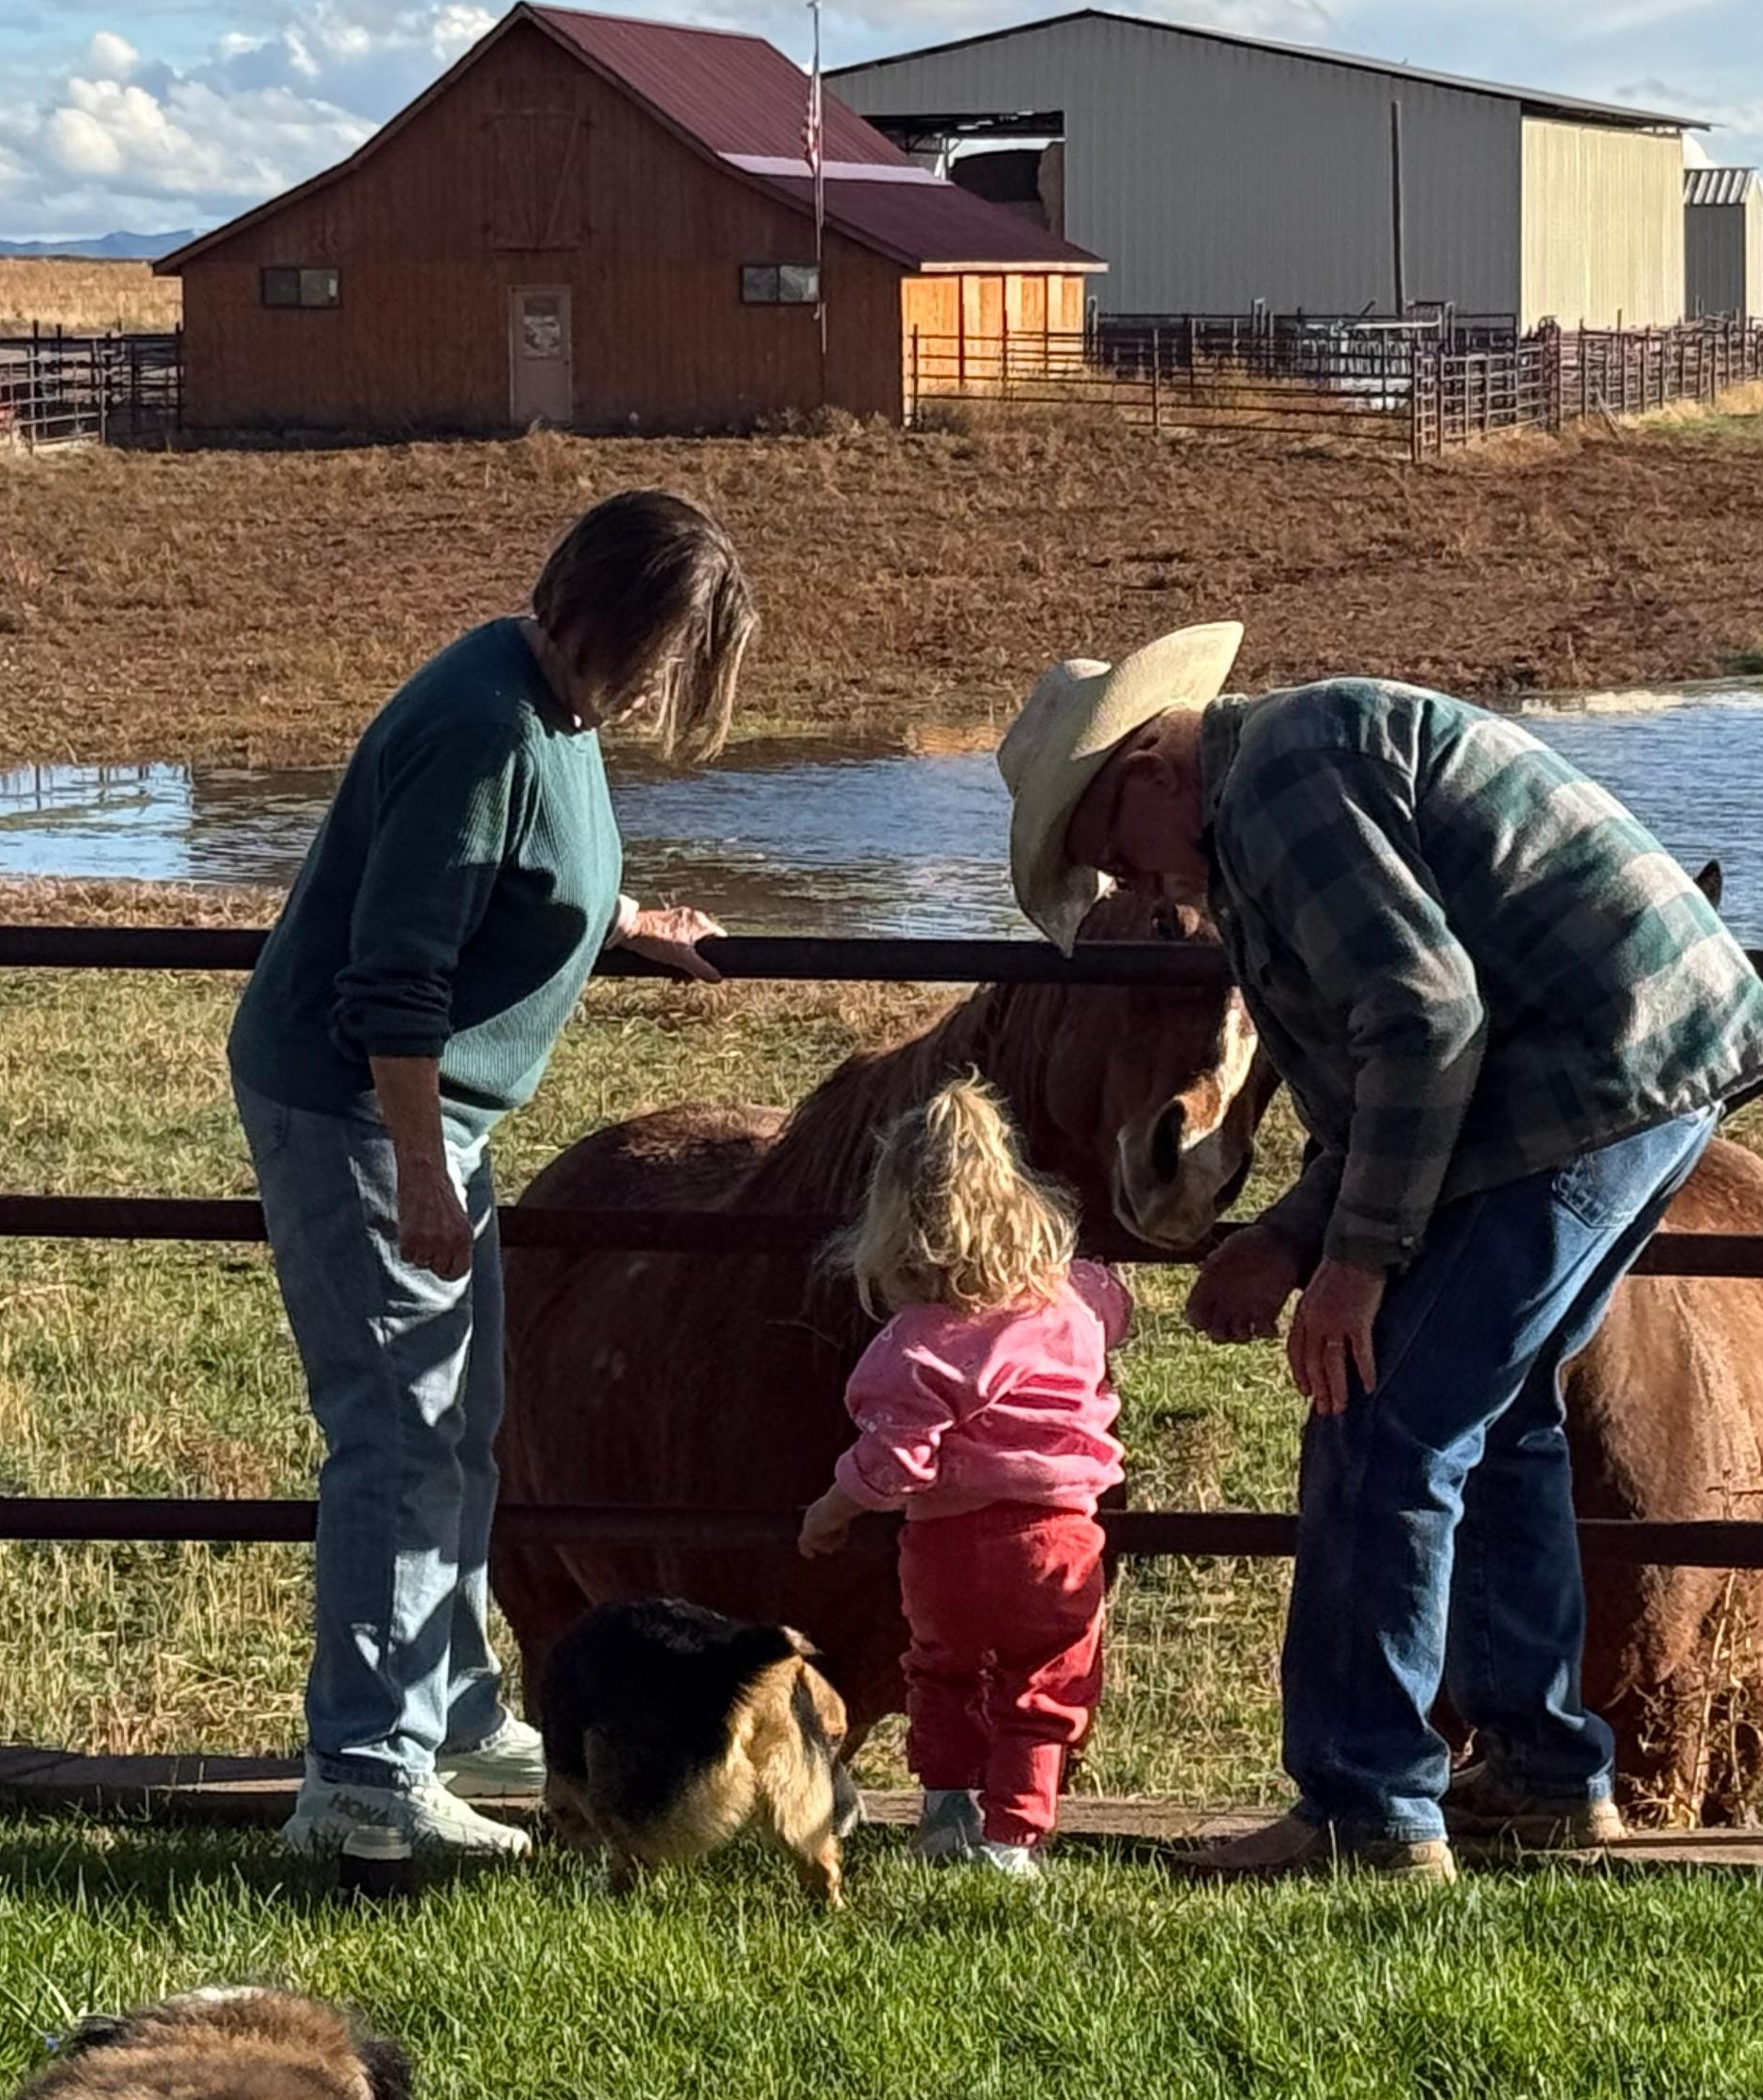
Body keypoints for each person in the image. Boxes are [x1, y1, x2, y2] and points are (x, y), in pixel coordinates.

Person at [993, 623, 1763, 1881]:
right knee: (1503, 1412)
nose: (1139, 890)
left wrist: (1351, 1267)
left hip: (1587, 1082)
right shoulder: (1275, 797)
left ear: (1152, 769)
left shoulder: (1277, 792)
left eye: (1112, 849)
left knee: (1382, 1421)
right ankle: (1538, 1771)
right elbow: (1388, 1065)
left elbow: (1425, 1025)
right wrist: (1288, 1233)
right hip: (1638, 1061)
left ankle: (1366, 1804)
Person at [231, 490, 753, 1865]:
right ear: (601, 621)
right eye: (657, 663)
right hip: (365, 1106)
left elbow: (509, 873)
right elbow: (392, 979)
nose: (654, 698)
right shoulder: (484, 725)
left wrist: (621, 923)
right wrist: (417, 1172)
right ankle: (360, 1774)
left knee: (461, 1419)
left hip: (418, 1113)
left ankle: (446, 1703)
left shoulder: (543, 705)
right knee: (398, 1429)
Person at [798, 1076, 1130, 1880]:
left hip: (945, 1544)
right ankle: (1013, 1841)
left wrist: (832, 1508)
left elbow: (896, 1461)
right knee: (1043, 1687)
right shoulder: (1077, 1304)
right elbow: (1119, 1303)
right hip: (1057, 1541)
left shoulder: (914, 1341)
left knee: (941, 1672)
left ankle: (946, 1812)